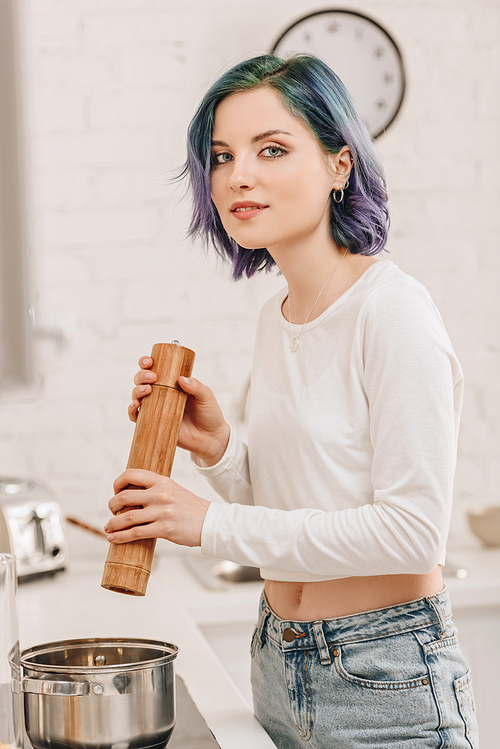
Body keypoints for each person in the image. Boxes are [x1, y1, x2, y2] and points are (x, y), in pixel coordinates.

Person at [104, 55, 479, 748]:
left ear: (340, 165)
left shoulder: (393, 311)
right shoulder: (277, 318)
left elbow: (412, 531)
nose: (237, 175)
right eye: (221, 156)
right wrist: (220, 449)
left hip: (383, 677)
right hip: (280, 657)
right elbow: (299, 504)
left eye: (271, 149)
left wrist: (209, 522)